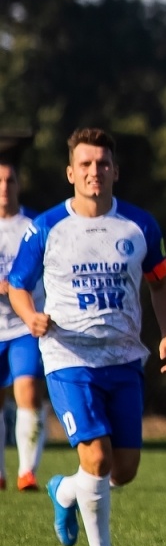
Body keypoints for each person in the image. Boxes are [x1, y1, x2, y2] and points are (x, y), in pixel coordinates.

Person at [6, 128, 166, 546]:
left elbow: (161, 283)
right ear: (70, 173)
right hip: (69, 358)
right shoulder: (46, 227)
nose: (94, 171)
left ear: (115, 171)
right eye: (85, 164)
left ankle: (65, 490)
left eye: (102, 163)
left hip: (124, 359)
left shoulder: (140, 226)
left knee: (124, 470)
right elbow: (18, 284)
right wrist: (30, 316)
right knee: (98, 459)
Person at [0, 147, 45, 491]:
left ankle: (27, 471)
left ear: (19, 184)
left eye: (10, 180)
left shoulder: (36, 225)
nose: (4, 187)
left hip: (23, 326)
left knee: (27, 391)